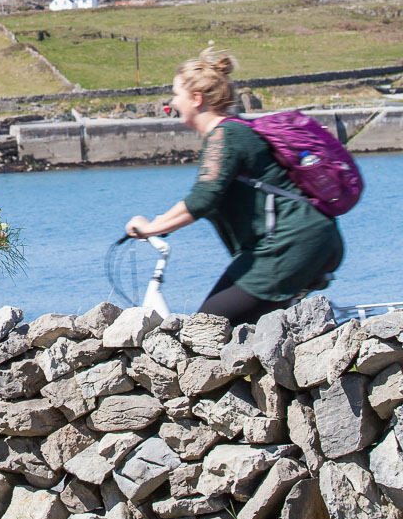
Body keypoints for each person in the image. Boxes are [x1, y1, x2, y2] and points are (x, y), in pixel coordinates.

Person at [125, 48, 343, 327]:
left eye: (176, 93)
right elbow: (211, 197)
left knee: (207, 328)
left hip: (290, 246)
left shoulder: (226, 135)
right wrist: (162, 223)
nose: (173, 101)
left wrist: (149, 228)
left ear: (196, 99)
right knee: (243, 335)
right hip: (299, 243)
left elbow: (204, 198)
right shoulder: (228, 134)